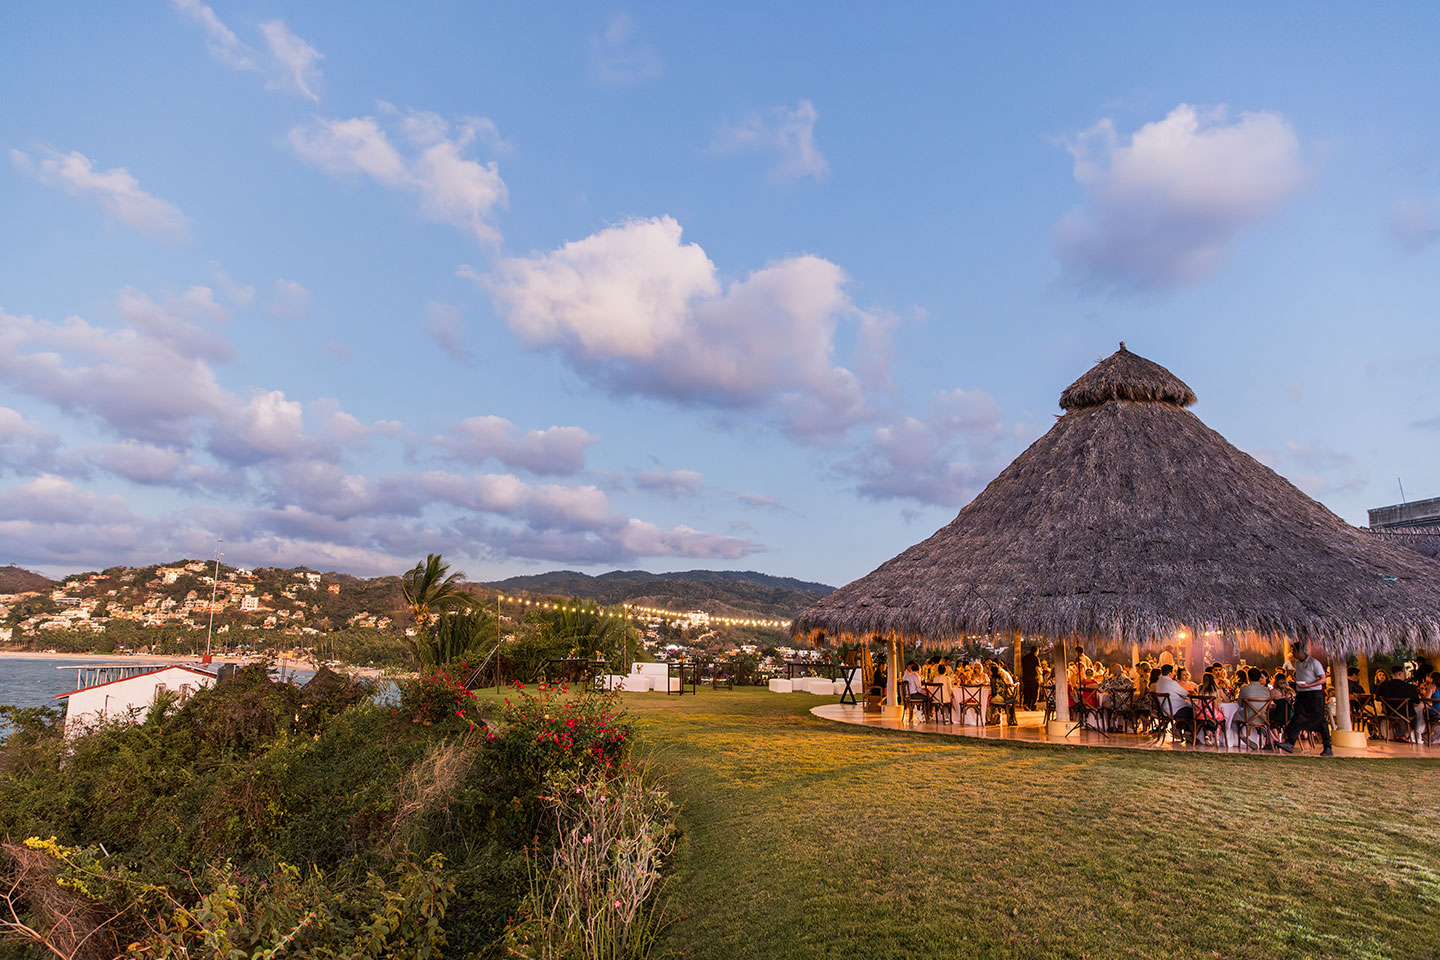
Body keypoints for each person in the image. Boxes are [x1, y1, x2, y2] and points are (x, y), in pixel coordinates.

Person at [1276, 641, 1332, 755]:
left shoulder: (1314, 663)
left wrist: (1309, 685)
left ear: (1301, 650)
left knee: (1320, 720)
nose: (1293, 653)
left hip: (1314, 694)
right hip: (1302, 694)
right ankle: (1290, 742)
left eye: (1294, 651)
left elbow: (1323, 679)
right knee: (1298, 717)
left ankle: (1328, 747)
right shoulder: (1298, 664)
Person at [1374, 666, 1421, 740]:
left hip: (1388, 713)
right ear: (1401, 674)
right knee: (1418, 712)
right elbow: (1417, 701)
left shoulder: (1382, 686)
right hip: (1406, 714)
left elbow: (1377, 699)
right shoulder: (1410, 687)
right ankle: (1408, 735)